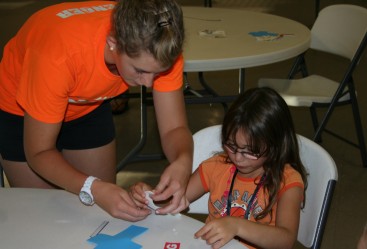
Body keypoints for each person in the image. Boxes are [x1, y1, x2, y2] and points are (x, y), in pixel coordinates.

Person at [0, 0, 193, 221]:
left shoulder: (160, 48)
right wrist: (93, 187)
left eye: (158, 73)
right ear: (113, 43)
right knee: (44, 219)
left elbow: (174, 128)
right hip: (21, 110)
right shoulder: (59, 54)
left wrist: (182, 161)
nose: (148, 83)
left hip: (87, 103)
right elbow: (39, 153)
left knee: (98, 217)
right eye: (139, 70)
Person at [131, 87, 308, 248]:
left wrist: (236, 226)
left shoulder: (288, 180)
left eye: (251, 151)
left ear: (276, 145)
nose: (238, 157)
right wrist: (150, 197)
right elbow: (175, 201)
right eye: (231, 146)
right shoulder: (217, 166)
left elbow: (286, 240)